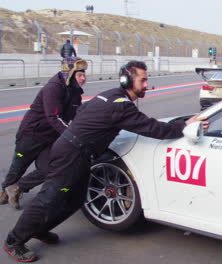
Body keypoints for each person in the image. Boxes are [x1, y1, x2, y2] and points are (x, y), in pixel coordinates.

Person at [2, 61, 208, 262]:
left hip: (77, 151)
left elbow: (82, 112)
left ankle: (39, 230)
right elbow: (155, 129)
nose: (146, 85)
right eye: (143, 80)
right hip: (71, 154)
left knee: (75, 199)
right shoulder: (121, 106)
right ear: (127, 80)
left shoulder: (109, 95)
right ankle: (14, 241)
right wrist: (184, 124)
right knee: (48, 199)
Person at [0, 57, 87, 210]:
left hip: (50, 138)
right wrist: (70, 136)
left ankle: (18, 188)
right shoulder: (53, 88)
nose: (83, 78)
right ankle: (5, 192)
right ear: (70, 75)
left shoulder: (75, 93)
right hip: (31, 135)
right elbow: (53, 117)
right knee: (17, 168)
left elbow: (77, 115)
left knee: (49, 168)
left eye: (84, 75)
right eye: (80, 75)